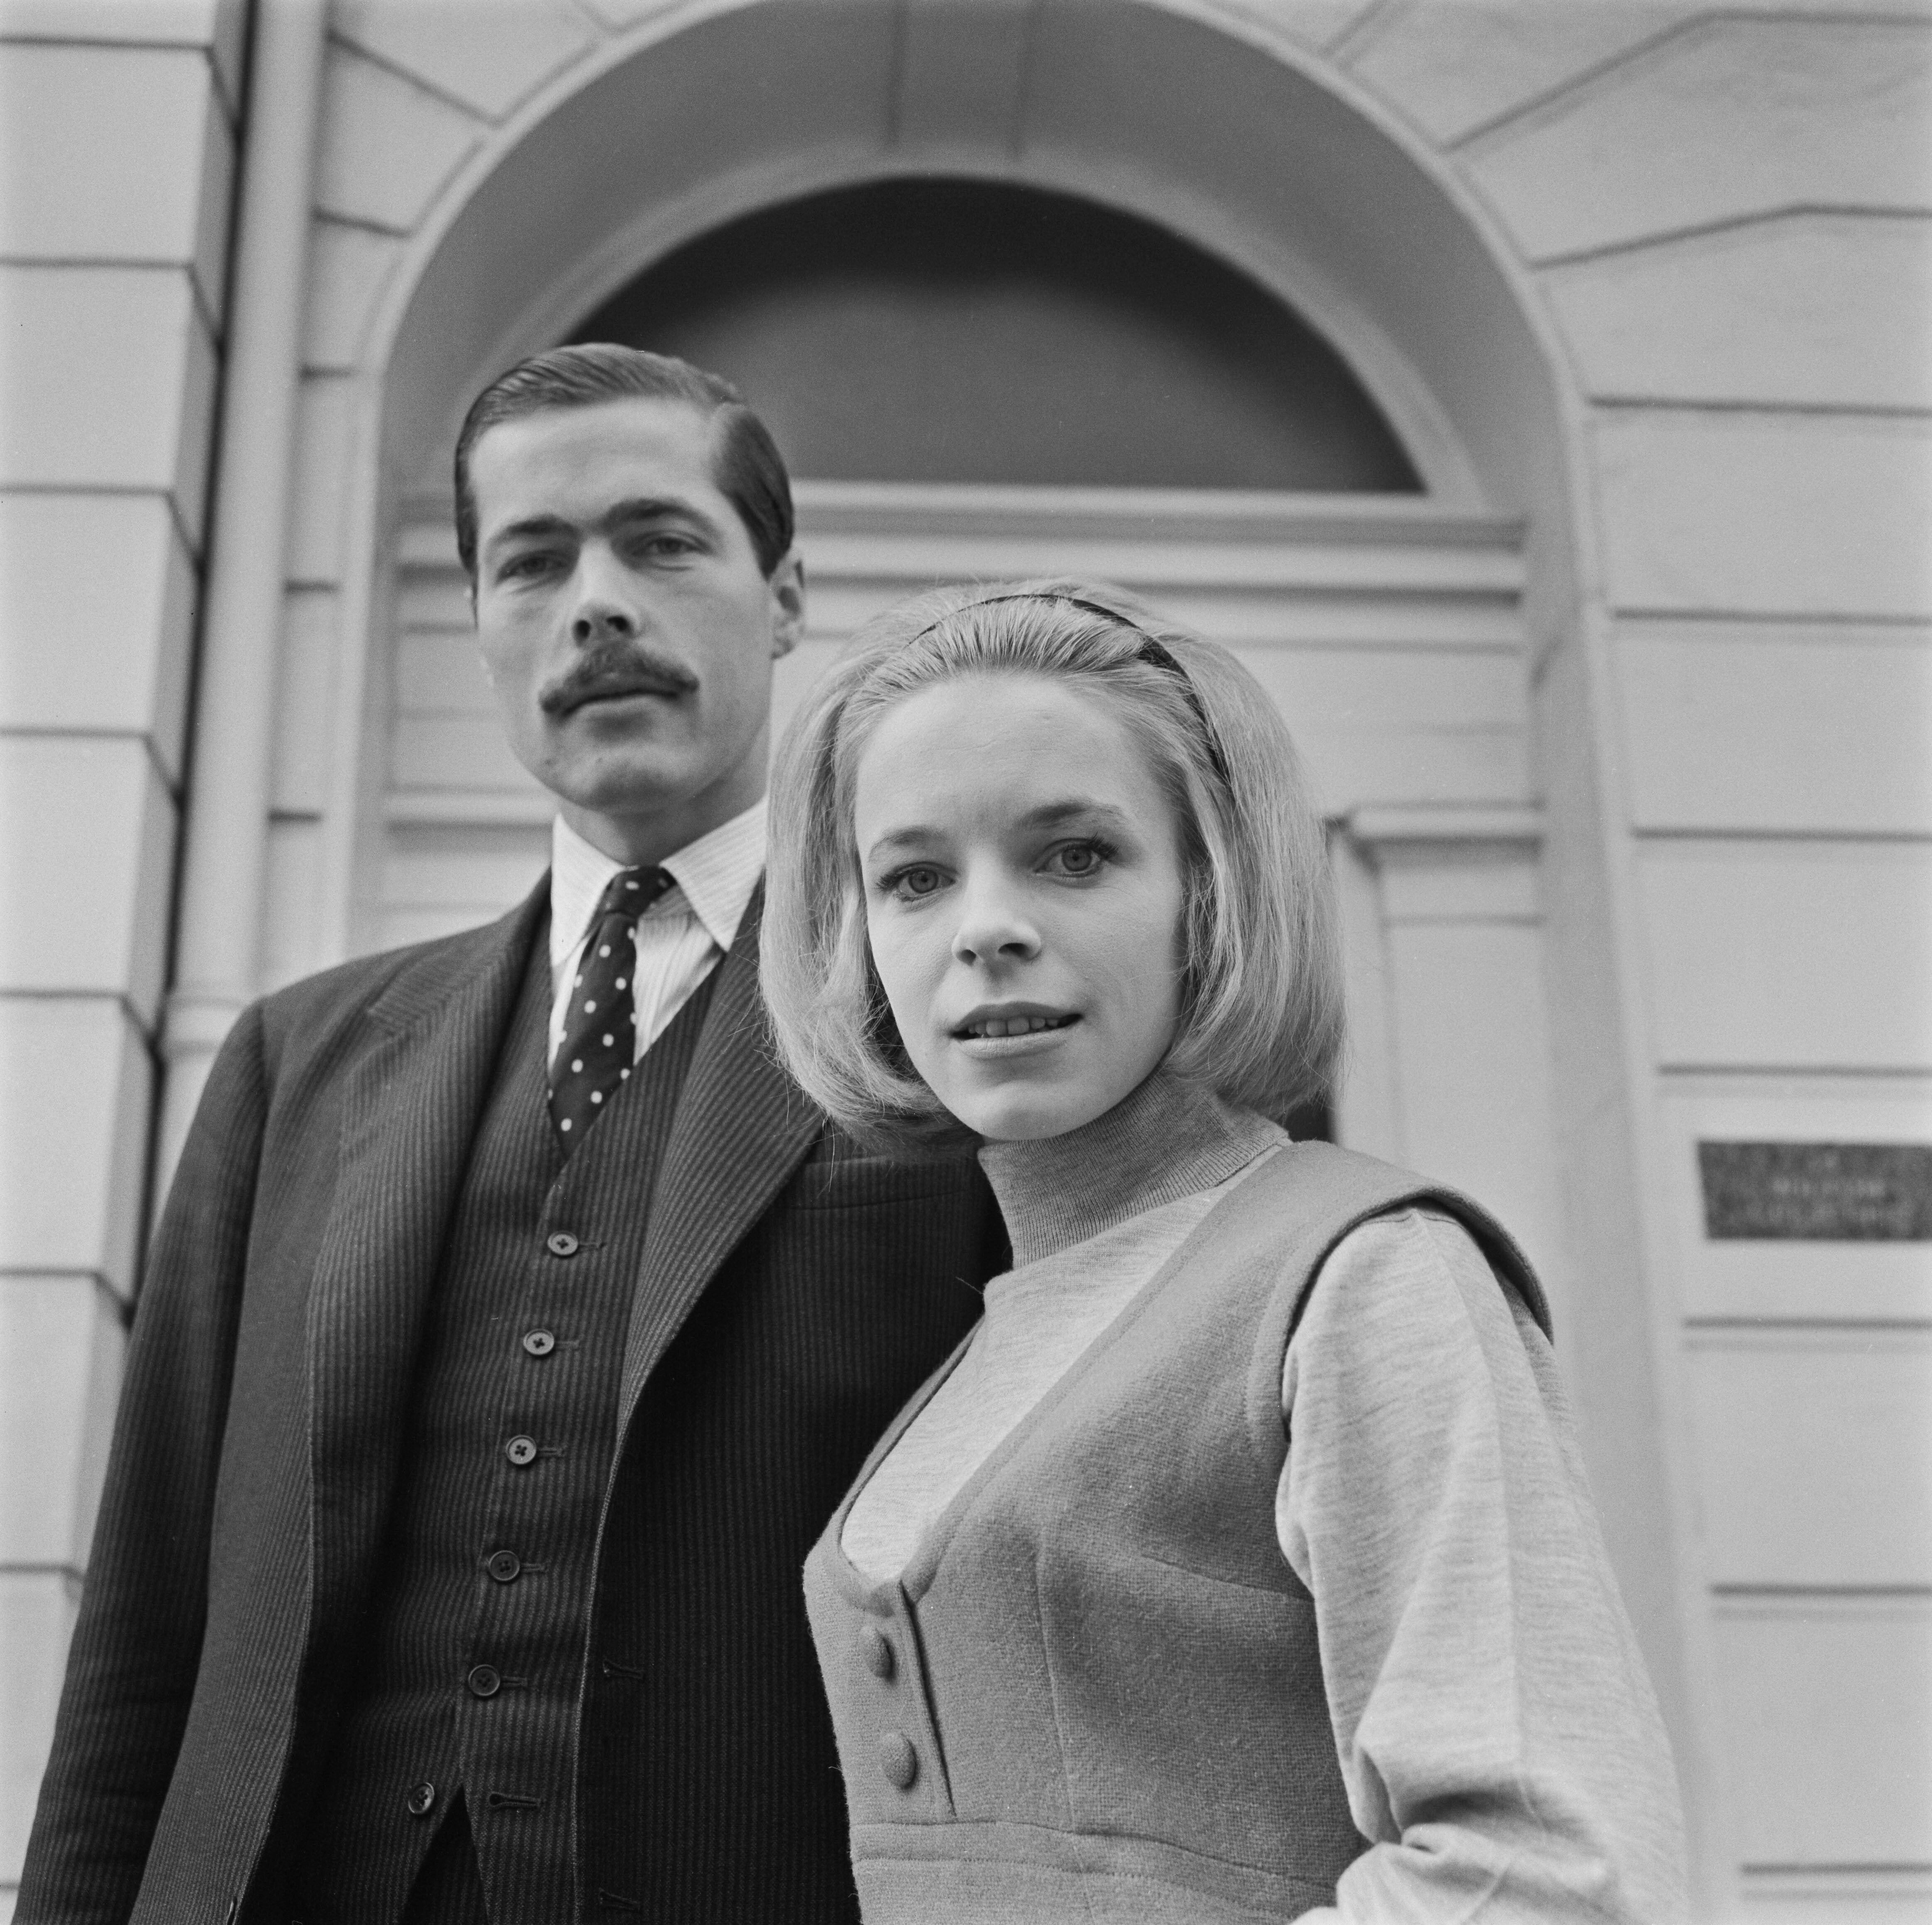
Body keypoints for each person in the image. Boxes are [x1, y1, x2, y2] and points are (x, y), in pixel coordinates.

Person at [18, 347, 1005, 1925]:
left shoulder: (939, 1030)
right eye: (532, 562)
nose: (594, 603)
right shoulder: (295, 1063)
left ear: (786, 594)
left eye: (660, 541)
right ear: (479, 622)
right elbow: (147, 1623)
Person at [758, 581, 1690, 1923]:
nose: (983, 926)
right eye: (913, 877)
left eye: (1074, 854)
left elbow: (1542, 1874)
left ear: (1211, 893)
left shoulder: (1369, 1278)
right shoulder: (995, 1333)